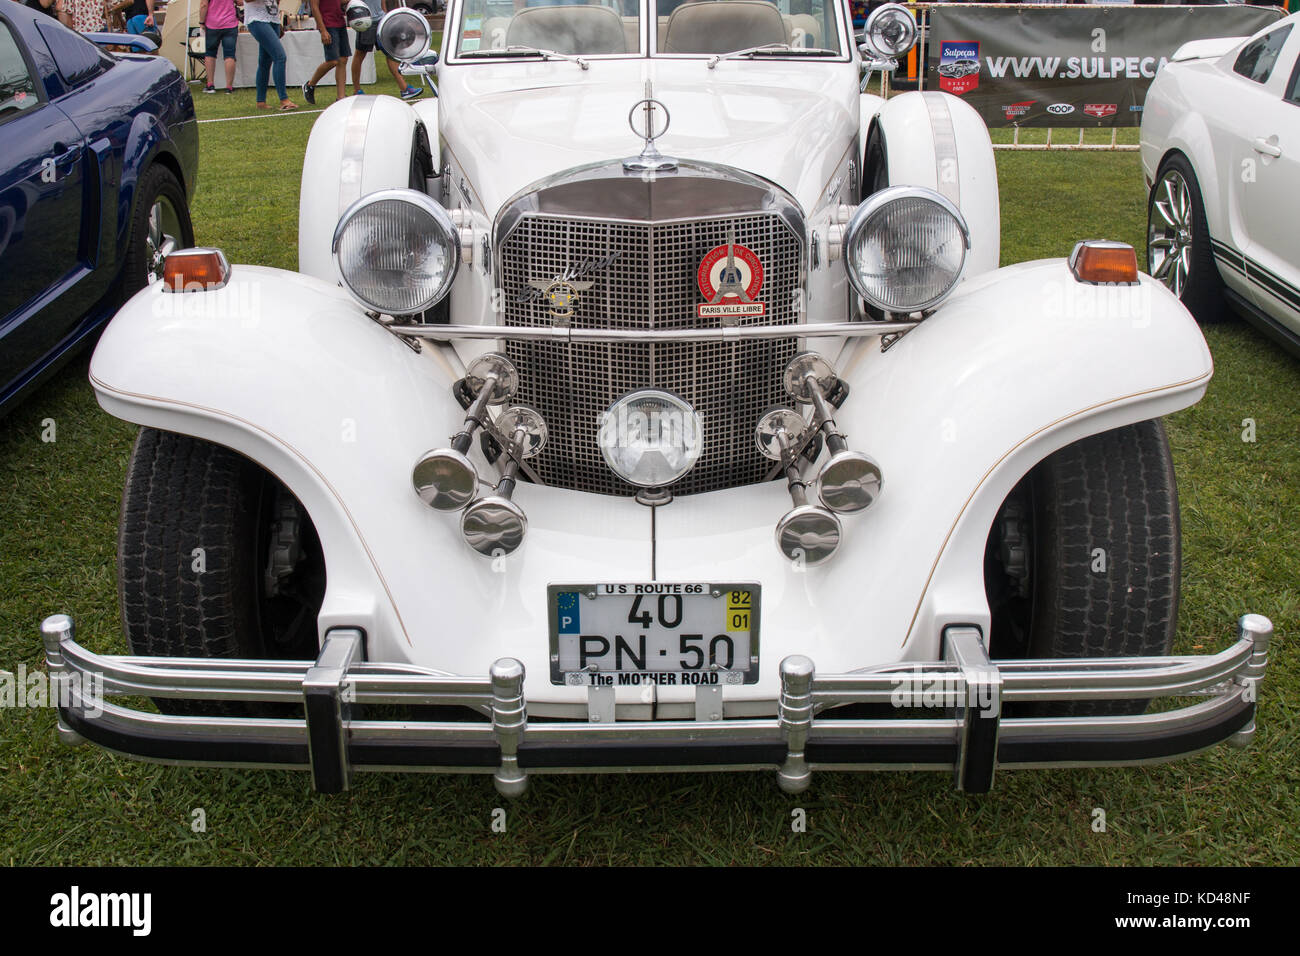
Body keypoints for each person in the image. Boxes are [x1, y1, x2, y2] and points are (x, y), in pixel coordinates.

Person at [350, 0, 423, 100]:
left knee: (390, 53)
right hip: (366, 20)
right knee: (360, 55)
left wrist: (385, 14)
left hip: (381, 20)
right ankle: (357, 90)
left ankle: (404, 88)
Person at [245, 0, 298, 110]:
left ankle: (261, 101)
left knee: (265, 61)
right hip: (257, 19)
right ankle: (284, 100)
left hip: (272, 19)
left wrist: (278, 22)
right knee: (280, 57)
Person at [302, 0, 349, 105]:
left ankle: (341, 97)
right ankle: (310, 85)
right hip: (328, 24)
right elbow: (314, 7)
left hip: (340, 22)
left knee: (343, 59)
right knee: (332, 61)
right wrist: (323, 30)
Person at [199, 0, 240, 94]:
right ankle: (229, 87)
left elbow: (204, 5)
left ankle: (210, 85)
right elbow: (240, 2)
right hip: (230, 23)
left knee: (210, 54)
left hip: (212, 24)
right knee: (230, 55)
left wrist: (201, 22)